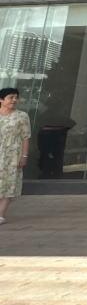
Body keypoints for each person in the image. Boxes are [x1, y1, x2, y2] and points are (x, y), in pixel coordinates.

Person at [0, 88, 30, 226]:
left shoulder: (22, 116)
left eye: (16, 97)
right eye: (10, 97)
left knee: (9, 183)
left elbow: (25, 137)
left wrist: (24, 155)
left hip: (12, 155)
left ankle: (1, 214)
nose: (14, 100)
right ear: (1, 100)